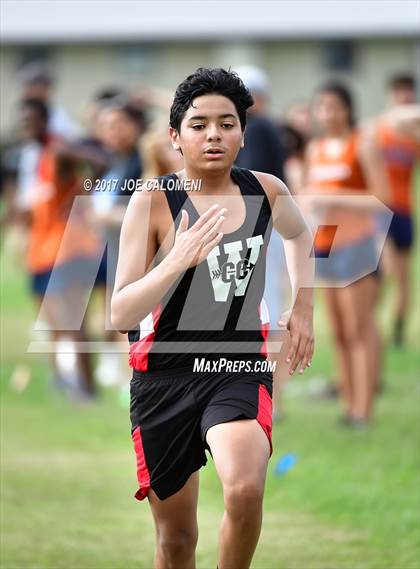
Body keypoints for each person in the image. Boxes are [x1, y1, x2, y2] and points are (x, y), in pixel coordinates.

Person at [111, 67, 314, 569]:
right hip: (163, 375)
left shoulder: (266, 190)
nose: (214, 135)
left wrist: (303, 305)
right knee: (176, 541)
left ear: (244, 134)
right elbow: (120, 312)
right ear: (175, 138)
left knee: (244, 491)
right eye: (199, 125)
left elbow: (299, 235)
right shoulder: (152, 200)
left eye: (227, 123)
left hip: (237, 365)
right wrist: (177, 260)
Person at [304, 81, 390, 427]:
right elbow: (313, 194)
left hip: (357, 243)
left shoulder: (362, 145)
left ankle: (363, 410)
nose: (327, 113)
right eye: (321, 106)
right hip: (325, 243)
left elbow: (382, 197)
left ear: (347, 109)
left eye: (333, 106)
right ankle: (348, 403)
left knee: (360, 329)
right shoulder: (315, 148)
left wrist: (333, 198)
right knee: (338, 330)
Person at [375, 74, 419, 346]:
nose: (403, 98)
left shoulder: (414, 138)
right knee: (386, 269)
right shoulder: (379, 131)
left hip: (405, 211)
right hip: (382, 210)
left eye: (408, 94)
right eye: (398, 93)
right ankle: (370, 322)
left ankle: (398, 332)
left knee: (404, 277)